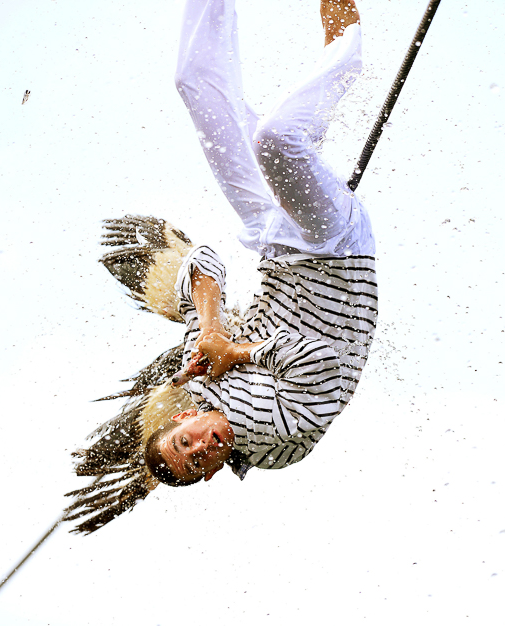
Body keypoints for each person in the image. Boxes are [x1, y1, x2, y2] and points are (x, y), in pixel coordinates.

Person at [144, 0, 378, 485]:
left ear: (179, 420)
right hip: (336, 253)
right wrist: (238, 353)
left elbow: (203, 262)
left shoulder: (201, 376)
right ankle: (346, 44)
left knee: (195, 84)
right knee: (275, 141)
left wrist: (210, 327)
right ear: (211, 472)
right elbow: (322, 365)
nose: (204, 445)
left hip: (275, 245)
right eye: (200, 459)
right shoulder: (271, 449)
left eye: (187, 440)